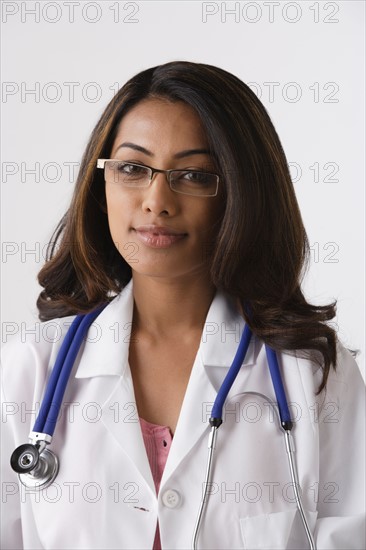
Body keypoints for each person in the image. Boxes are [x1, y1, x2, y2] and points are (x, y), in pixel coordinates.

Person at [1, 60, 364, 550]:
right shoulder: (32, 368)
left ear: (240, 193)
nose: (157, 200)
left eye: (193, 174)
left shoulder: (313, 372)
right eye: (132, 168)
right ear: (101, 186)